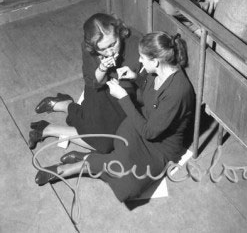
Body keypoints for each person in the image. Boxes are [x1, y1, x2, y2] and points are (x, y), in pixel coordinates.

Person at [34, 32, 195, 203]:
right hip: (142, 124)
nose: (139, 61)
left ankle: (72, 166)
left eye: (142, 58)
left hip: (160, 147)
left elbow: (150, 133)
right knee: (114, 145)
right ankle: (82, 161)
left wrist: (124, 98)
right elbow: (150, 94)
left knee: (128, 187)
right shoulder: (161, 69)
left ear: (155, 61)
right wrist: (136, 78)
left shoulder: (178, 91)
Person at [29, 13, 141, 153]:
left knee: (110, 143)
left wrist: (133, 77)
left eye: (113, 44)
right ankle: (61, 113)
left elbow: (147, 84)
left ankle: (56, 119)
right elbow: (91, 82)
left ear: (119, 32)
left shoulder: (137, 44)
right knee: (102, 141)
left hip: (126, 97)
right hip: (100, 91)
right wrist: (102, 68)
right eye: (103, 49)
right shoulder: (89, 48)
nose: (110, 51)